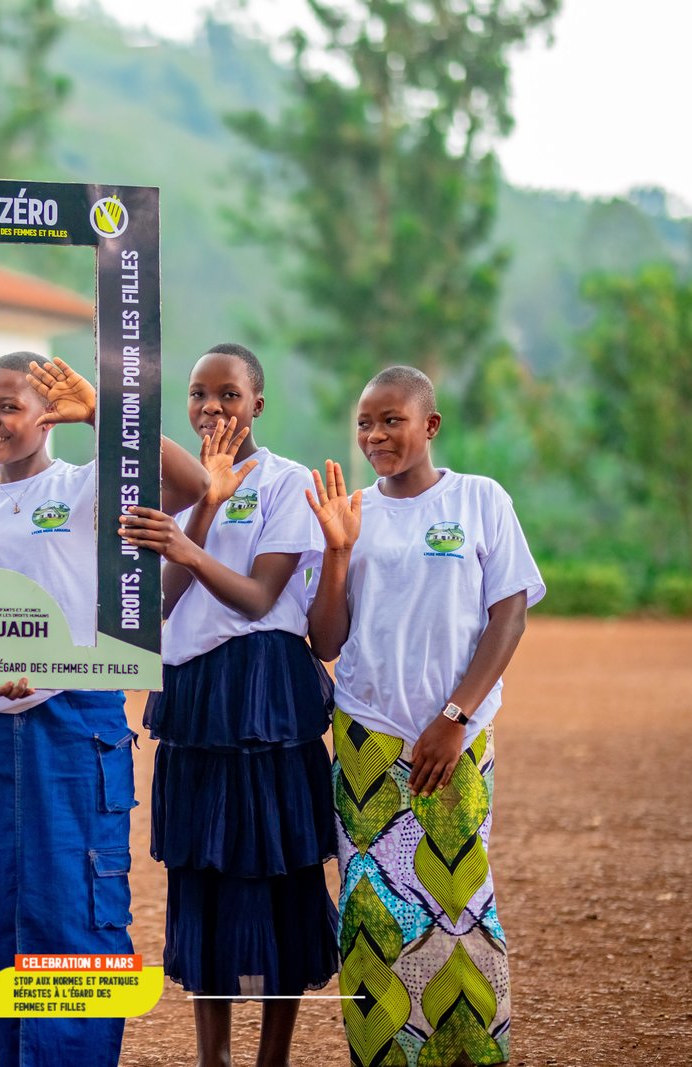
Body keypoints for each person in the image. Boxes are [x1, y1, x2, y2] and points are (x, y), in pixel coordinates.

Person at [0, 352, 209, 1067]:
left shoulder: (89, 485)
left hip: (75, 719)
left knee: (78, 904)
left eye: (9, 406)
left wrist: (105, 415)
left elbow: (192, 483)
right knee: (5, 903)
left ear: (47, 417)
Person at [303, 366, 543, 1067]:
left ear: (430, 425)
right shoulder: (354, 514)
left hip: (454, 736)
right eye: (365, 424)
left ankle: (470, 1050)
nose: (375, 435)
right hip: (366, 735)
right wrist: (339, 551)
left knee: (459, 898)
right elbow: (326, 640)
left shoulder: (479, 500)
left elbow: (510, 611)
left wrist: (456, 712)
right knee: (371, 905)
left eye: (391, 420)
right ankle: (381, 1051)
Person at [117, 343, 339, 1067]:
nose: (212, 408)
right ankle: (212, 1056)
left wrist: (186, 543)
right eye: (198, 394)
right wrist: (204, 507)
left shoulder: (287, 482)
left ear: (258, 404)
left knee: (279, 871)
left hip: (267, 693)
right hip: (194, 699)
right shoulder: (177, 489)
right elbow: (162, 609)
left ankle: (272, 1054)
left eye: (229, 395)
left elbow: (258, 598)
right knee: (202, 870)